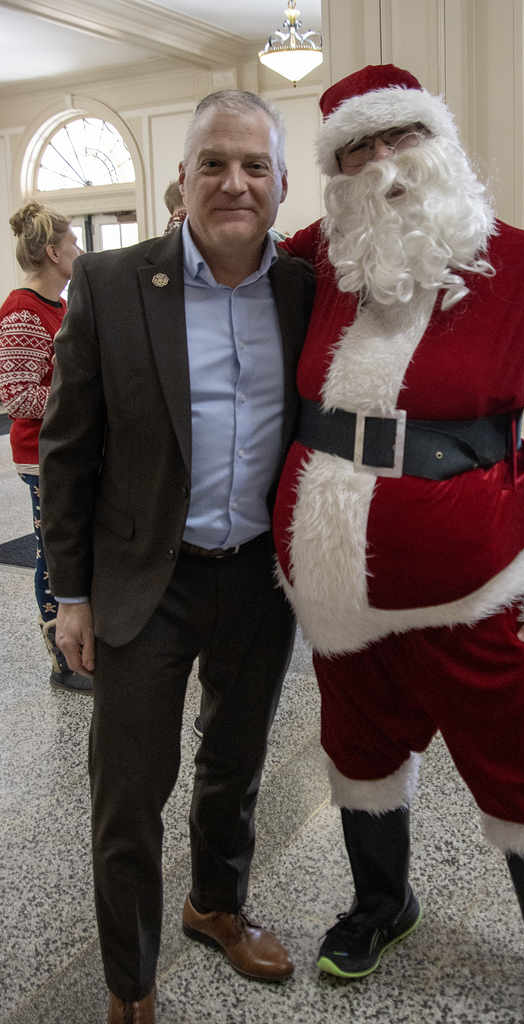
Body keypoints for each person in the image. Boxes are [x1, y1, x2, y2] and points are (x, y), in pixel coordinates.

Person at [273, 65, 524, 1024]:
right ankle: (382, 904)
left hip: (482, 596)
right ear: (335, 172)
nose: (382, 164)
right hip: (340, 600)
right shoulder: (311, 265)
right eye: (356, 148)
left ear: (441, 143)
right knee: (358, 756)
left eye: (401, 137)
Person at [39, 90, 315, 1024]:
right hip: (142, 581)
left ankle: (216, 905)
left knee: (234, 763)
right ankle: (130, 985)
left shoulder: (305, 293)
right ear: (181, 180)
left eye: (252, 166)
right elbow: (69, 452)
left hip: (255, 581)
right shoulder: (113, 286)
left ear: (281, 183)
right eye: (213, 163)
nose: (233, 182)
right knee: (128, 794)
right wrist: (69, 595)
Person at [0, 202, 90, 694]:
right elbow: (16, 394)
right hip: (40, 453)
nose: (79, 248)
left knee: (71, 548)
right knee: (53, 553)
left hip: (65, 445)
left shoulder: (59, 305)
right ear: (53, 251)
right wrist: (78, 396)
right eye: (73, 241)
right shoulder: (21, 308)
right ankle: (63, 662)